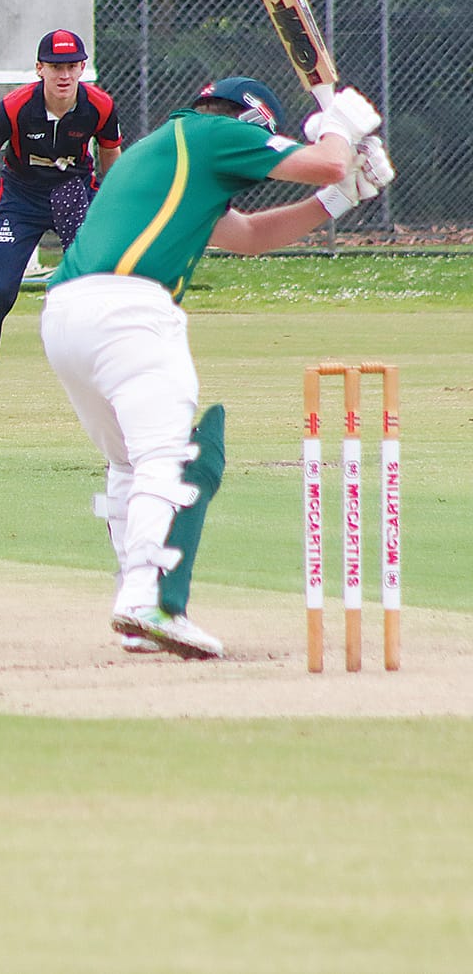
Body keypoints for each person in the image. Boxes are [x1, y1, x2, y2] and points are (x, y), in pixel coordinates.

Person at [39, 76, 394, 659]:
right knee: (166, 456)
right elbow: (326, 162)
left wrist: (342, 198)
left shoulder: (171, 151)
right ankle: (145, 600)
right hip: (131, 310)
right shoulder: (217, 134)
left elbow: (250, 236)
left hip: (66, 315)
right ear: (252, 120)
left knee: (131, 461)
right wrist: (341, 124)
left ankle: (135, 604)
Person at [0, 28, 122, 415]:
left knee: (97, 287)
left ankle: (113, 385)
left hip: (73, 192)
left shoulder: (100, 106)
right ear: (39, 68)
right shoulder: (14, 107)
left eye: (71, 66)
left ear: (83, 67)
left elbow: (112, 161)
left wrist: (113, 213)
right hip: (20, 200)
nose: (64, 75)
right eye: (55, 66)